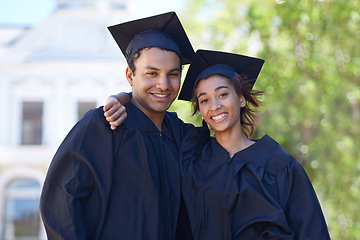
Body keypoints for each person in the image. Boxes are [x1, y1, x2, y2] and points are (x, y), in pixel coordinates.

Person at [105, 50, 331, 239]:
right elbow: (151, 114)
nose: (214, 106)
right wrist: (120, 98)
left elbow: (312, 231)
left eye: (223, 94)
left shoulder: (278, 164)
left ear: (241, 98)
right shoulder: (192, 154)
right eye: (204, 100)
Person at [40, 12, 196, 240]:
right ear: (130, 76)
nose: (163, 85)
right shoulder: (103, 125)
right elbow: (62, 203)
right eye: (151, 73)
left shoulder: (181, 134)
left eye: (172, 74)